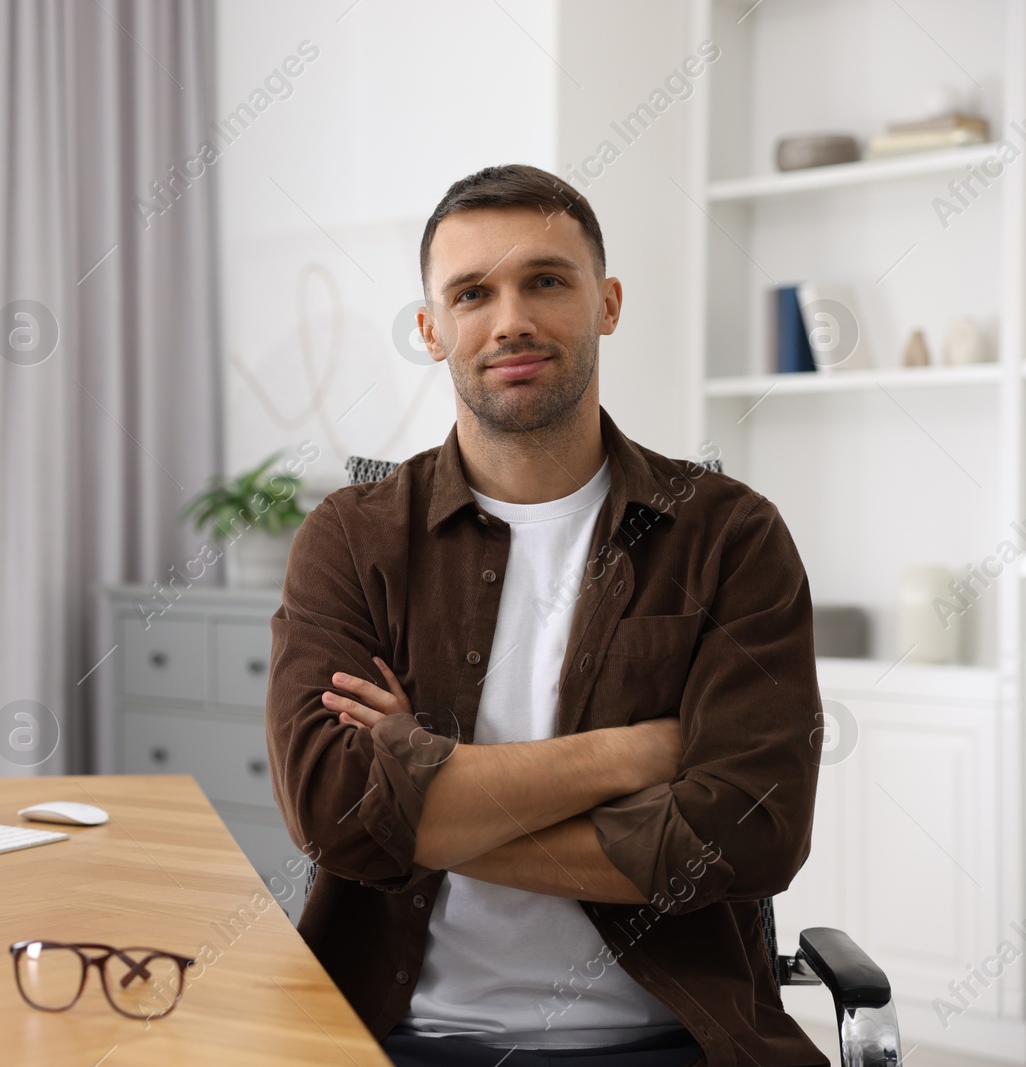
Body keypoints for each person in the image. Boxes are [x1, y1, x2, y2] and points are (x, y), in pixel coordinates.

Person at [265, 164, 825, 1067]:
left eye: (546, 281)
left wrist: (424, 799)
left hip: (674, 1040)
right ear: (430, 329)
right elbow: (336, 814)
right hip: (401, 1038)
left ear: (605, 302)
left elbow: (750, 832)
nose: (510, 319)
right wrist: (634, 753)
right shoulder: (353, 538)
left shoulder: (729, 534)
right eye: (472, 292)